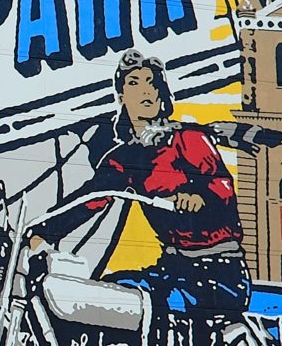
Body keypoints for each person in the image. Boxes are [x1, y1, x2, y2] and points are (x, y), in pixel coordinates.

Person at [37, 49, 252, 319]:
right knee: (111, 294)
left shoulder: (188, 139)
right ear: (121, 96)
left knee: (162, 307)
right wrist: (42, 232)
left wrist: (197, 198)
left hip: (220, 272)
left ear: (162, 93)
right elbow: (91, 198)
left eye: (151, 82)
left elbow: (221, 187)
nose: (145, 91)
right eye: (134, 83)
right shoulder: (124, 158)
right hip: (172, 266)